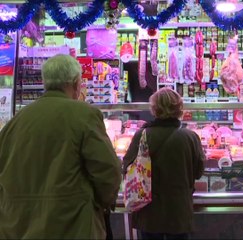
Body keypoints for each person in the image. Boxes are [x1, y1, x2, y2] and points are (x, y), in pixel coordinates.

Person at [0, 54, 122, 239]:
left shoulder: (16, 121)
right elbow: (108, 170)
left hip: (19, 225)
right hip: (72, 223)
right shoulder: (84, 115)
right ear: (76, 83)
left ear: (45, 81)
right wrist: (101, 203)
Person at [123, 87, 205, 240]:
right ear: (179, 108)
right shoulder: (190, 137)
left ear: (154, 109)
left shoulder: (143, 135)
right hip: (179, 211)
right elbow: (199, 172)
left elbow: (127, 166)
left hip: (149, 212)